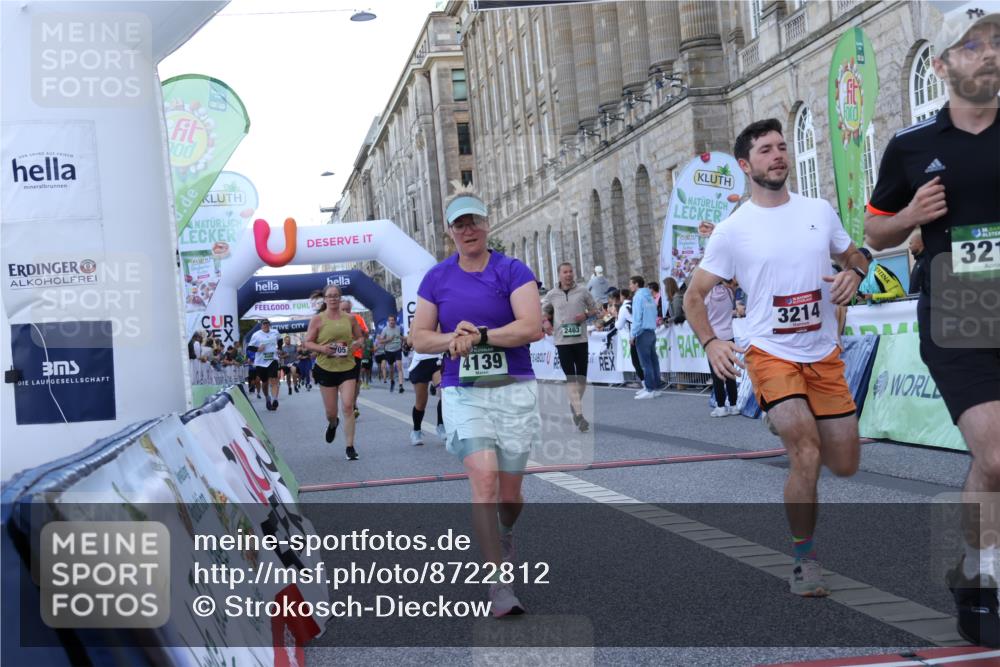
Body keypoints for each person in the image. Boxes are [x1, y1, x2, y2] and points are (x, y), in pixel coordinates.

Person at [685, 118, 869, 597]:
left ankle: (782, 414)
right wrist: (712, 343)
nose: (779, 155)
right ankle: (805, 560)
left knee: (845, 461)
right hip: (770, 352)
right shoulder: (731, 230)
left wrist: (855, 274)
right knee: (805, 451)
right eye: (766, 150)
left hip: (823, 352)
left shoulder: (819, 210)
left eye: (783, 147)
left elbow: (856, 258)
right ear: (746, 166)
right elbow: (693, 297)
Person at [864, 5, 1000, 647]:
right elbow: (875, 229)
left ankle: (973, 566)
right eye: (973, 46)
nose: (990, 54)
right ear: (943, 65)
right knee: (996, 454)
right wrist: (913, 213)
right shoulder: (913, 147)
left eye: (997, 43)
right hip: (963, 304)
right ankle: (985, 574)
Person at [411, 189, 543, 617]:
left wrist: (481, 335)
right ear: (449, 232)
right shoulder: (436, 278)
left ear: (488, 224)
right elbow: (419, 337)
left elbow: (530, 328)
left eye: (474, 221)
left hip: (513, 388)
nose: (468, 229)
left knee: (510, 494)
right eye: (459, 224)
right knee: (483, 481)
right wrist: (455, 339)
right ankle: (498, 584)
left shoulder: (512, 270)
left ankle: (505, 532)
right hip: (463, 391)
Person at [303, 284, 365, 460]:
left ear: (340, 297)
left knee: (347, 406)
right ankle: (333, 424)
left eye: (336, 295)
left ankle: (350, 447)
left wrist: (357, 343)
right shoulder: (318, 319)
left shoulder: (350, 319)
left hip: (347, 367)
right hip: (326, 368)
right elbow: (307, 343)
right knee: (331, 412)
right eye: (330, 296)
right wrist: (323, 349)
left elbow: (360, 337)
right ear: (324, 298)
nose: (333, 299)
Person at [541, 262, 599, 432]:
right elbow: (545, 312)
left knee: (581, 379)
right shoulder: (552, 294)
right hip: (562, 341)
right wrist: (545, 322)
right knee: (571, 378)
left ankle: (574, 405)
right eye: (565, 272)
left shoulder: (582, 291)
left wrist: (586, 315)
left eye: (571, 271)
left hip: (580, 340)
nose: (568, 274)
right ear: (559, 275)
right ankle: (579, 415)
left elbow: (595, 309)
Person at [705, 278, 741, 417]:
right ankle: (733, 405)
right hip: (728, 334)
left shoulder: (707, 295)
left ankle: (720, 406)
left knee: (717, 373)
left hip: (714, 337)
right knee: (729, 371)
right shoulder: (728, 292)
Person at [406, 331, 446, 446]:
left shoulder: (439, 317)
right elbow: (410, 341)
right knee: (421, 403)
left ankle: (441, 425)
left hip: (437, 360)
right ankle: (416, 431)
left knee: (444, 393)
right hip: (420, 362)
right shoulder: (417, 320)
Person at [630, 276, 664, 399]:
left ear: (636, 284)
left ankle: (649, 389)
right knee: (654, 361)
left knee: (646, 363)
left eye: (631, 284)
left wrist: (633, 334)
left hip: (642, 331)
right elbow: (654, 312)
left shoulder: (638, 297)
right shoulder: (649, 296)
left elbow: (637, 317)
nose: (630, 286)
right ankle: (656, 388)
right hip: (651, 330)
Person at [341, 299, 369, 418]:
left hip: (356, 354)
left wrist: (359, 331)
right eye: (343, 309)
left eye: (348, 309)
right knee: (345, 381)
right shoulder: (334, 320)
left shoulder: (357, 318)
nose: (346, 311)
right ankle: (349, 405)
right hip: (341, 355)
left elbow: (366, 334)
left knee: (356, 382)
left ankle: (353, 403)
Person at [247, 319, 282, 411]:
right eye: (264, 324)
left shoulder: (275, 332)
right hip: (261, 362)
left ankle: (275, 399)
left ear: (269, 325)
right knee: (265, 382)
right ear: (261, 325)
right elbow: (249, 347)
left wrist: (279, 348)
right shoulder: (256, 335)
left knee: (274, 380)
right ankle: (267, 398)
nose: (266, 326)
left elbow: (280, 339)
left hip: (272, 359)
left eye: (267, 324)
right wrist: (258, 349)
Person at [615, 288, 644, 387]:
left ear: (622, 296)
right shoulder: (636, 304)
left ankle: (646, 385)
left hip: (635, 334)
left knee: (636, 361)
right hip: (646, 332)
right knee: (646, 360)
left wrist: (616, 317)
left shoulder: (624, 308)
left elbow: (619, 325)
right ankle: (650, 384)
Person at [378, 315, 405, 393]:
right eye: (390, 320)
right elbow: (380, 341)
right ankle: (392, 381)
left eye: (393, 320)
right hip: (389, 351)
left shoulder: (398, 328)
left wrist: (402, 341)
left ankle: (401, 386)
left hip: (397, 350)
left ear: (395, 321)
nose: (391, 322)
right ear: (388, 321)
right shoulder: (385, 329)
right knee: (391, 369)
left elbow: (402, 337)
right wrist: (389, 339)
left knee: (399, 366)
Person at [908, 230, 928, 296]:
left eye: (911, 243)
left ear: (919, 243)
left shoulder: (926, 261)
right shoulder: (918, 262)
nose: (909, 246)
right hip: (914, 302)